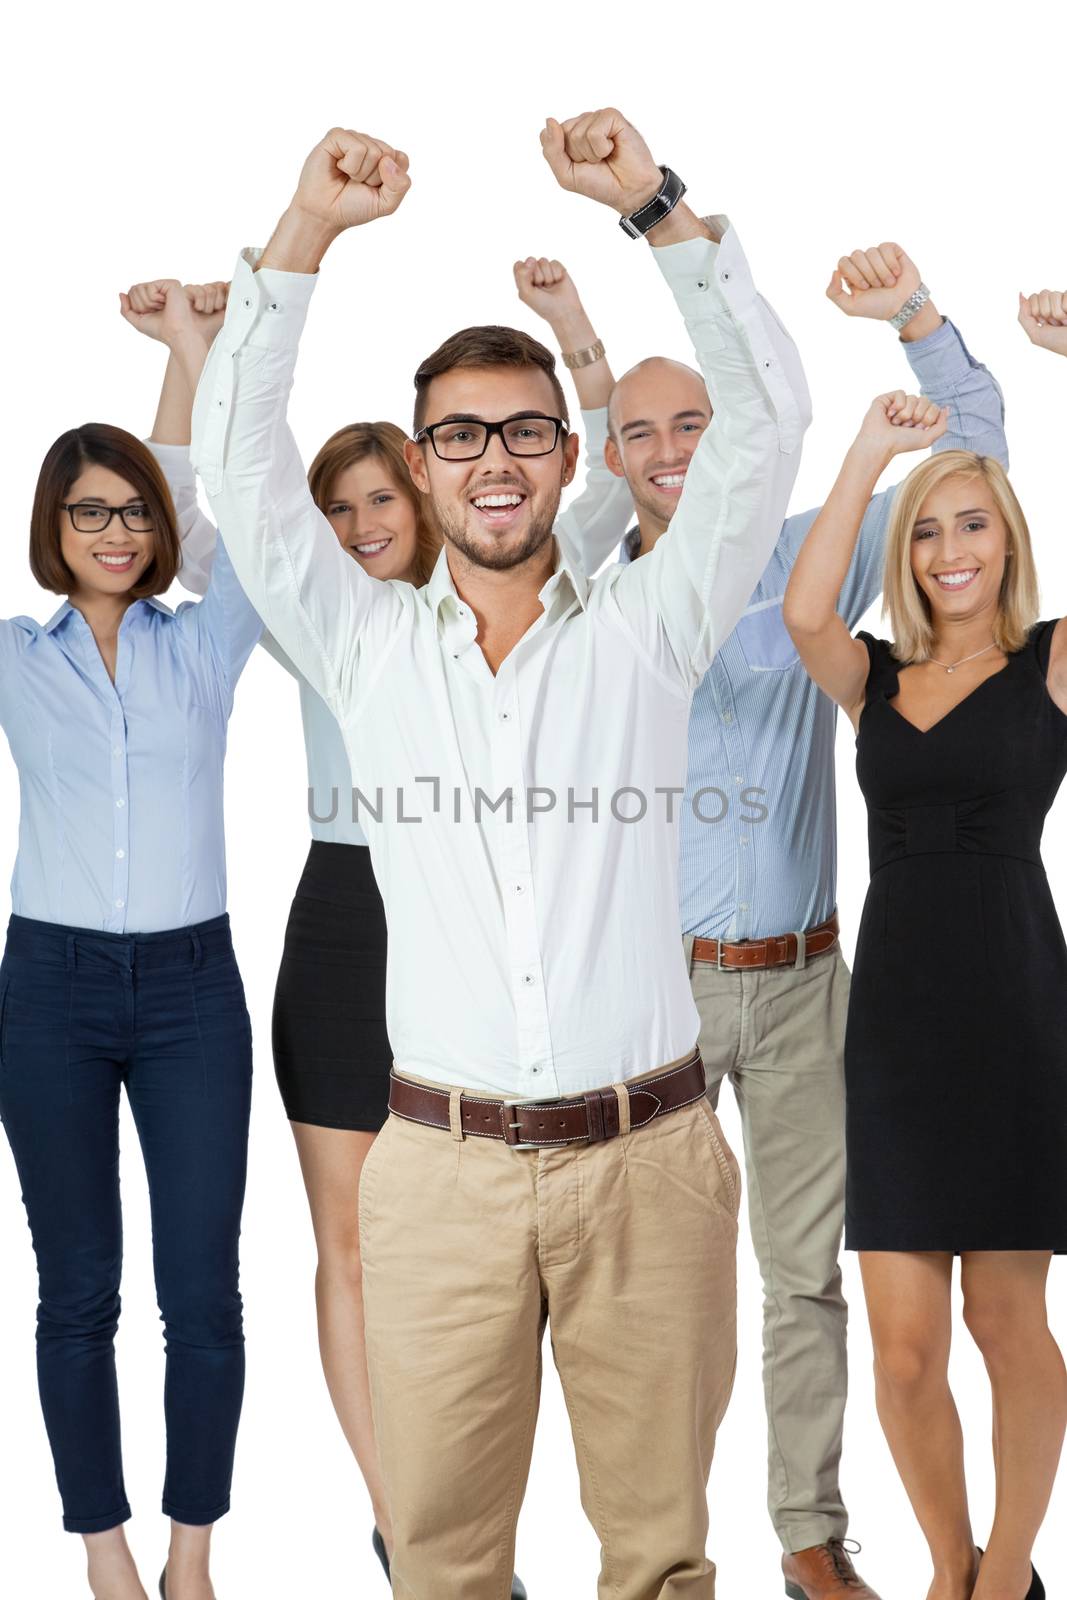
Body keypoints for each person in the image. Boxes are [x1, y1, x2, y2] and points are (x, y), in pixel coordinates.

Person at [175, 109, 810, 1598]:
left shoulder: (651, 635)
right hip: (437, 1178)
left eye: (525, 430)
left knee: (656, 1558)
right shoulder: (361, 649)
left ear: (566, 450)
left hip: (649, 1166)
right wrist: (305, 235)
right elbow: (243, 477)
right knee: (444, 1562)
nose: (494, 460)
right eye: (458, 436)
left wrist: (653, 209)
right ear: (423, 462)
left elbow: (765, 421)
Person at [121, 254, 630, 1593]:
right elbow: (190, 507)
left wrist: (578, 333)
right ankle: (404, 1520)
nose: (353, 530)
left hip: (489, 922)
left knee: (499, 1238)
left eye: (374, 500)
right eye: (330, 510)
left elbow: (616, 487)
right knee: (350, 1243)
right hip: (350, 922)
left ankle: (510, 1509)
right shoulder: (323, 624)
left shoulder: (514, 592)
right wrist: (191, 347)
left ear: (430, 487)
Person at [569, 242, 1009, 1598]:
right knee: (645, 1289)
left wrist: (917, 323)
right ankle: (652, 1546)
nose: (666, 449)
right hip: (652, 990)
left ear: (730, 433)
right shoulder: (595, 574)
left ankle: (808, 1536)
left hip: (810, 984)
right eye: (637, 431)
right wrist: (573, 332)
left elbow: (969, 465)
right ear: (613, 454)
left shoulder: (795, 565)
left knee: (800, 1278)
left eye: (690, 421)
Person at [782, 318, 1067, 1600]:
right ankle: (945, 1568)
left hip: (1014, 1010)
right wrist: (864, 458)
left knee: (1004, 1322)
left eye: (972, 525)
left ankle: (1008, 1573)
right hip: (891, 1025)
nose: (951, 551)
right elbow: (801, 606)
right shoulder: (873, 675)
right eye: (928, 531)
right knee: (901, 1351)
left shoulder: (1050, 663)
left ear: (1007, 540)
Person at [0, 286, 263, 1600]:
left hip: (190, 994)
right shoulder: (12, 656)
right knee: (76, 1292)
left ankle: (192, 1554)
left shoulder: (207, 640)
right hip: (45, 989)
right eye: (87, 512)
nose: (116, 530)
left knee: (200, 1293)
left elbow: (211, 512)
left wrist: (189, 358)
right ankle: (102, 1550)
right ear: (52, 530)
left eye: (134, 512)